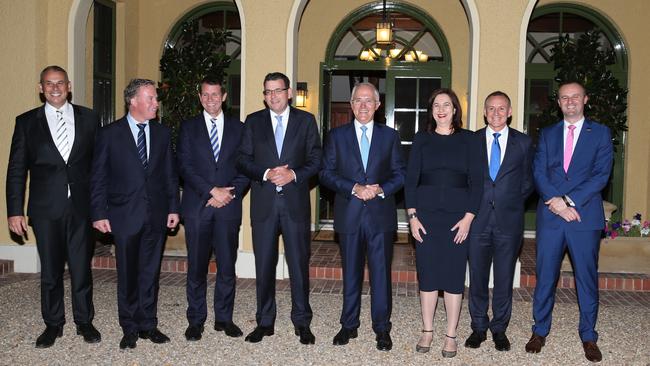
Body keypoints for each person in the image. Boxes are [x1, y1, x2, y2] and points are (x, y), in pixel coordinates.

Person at [6, 65, 101, 348]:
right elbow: (16, 170)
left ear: (69, 85)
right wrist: (14, 210)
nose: (55, 88)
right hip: (46, 209)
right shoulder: (26, 122)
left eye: (60, 83)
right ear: (40, 88)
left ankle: (84, 322)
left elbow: (99, 167)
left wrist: (103, 207)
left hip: (83, 208)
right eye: (49, 83)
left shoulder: (90, 118)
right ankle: (53, 324)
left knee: (82, 269)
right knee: (50, 271)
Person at [526, 81, 613, 363]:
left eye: (575, 96)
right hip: (552, 216)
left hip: (583, 217)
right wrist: (556, 202)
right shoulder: (548, 133)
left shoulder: (600, 133)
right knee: (545, 276)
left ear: (585, 99)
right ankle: (539, 330)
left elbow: (601, 175)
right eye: (565, 98)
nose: (570, 101)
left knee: (586, 278)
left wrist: (570, 201)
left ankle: (589, 336)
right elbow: (539, 171)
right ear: (559, 103)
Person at [90, 78, 180, 350]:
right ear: (133, 101)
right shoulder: (109, 134)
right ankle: (128, 327)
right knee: (128, 274)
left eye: (155, 99)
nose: (156, 103)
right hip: (123, 215)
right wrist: (98, 213)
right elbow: (98, 178)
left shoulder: (163, 134)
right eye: (151, 98)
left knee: (150, 273)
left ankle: (148, 324)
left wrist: (174, 207)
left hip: (156, 215)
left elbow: (169, 176)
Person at [237, 72, 321, 345]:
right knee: (264, 265)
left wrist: (293, 174)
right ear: (264, 95)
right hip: (264, 205)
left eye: (277, 90)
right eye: (268, 91)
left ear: (289, 93)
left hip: (295, 205)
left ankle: (302, 321)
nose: (272, 96)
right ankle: (264, 321)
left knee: (298, 265)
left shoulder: (306, 121)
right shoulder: (253, 122)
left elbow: (316, 159)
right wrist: (265, 173)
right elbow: (242, 160)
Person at [320, 82, 405, 351]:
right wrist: (354, 188)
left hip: (380, 215)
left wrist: (380, 189)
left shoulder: (390, 136)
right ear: (351, 104)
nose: (364, 105)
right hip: (350, 214)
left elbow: (400, 174)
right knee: (351, 274)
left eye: (369, 100)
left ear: (378, 105)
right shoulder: (336, 136)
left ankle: (382, 328)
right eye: (359, 100)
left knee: (381, 274)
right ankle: (349, 325)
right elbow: (325, 173)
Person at [405, 88, 483, 358]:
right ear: (431, 110)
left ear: (455, 109)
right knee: (427, 277)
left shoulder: (470, 140)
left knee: (452, 277)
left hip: (457, 220)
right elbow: (410, 180)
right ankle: (427, 330)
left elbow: (477, 183)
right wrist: (412, 217)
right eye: (436, 104)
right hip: (425, 219)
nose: (441, 109)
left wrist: (468, 219)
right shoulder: (421, 139)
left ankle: (450, 335)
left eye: (446, 104)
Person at [177, 76, 249, 341]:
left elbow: (246, 167)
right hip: (198, 206)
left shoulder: (240, 129)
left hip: (228, 207)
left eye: (215, 94)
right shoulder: (188, 128)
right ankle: (195, 320)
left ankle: (224, 318)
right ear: (200, 97)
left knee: (227, 266)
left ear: (224, 96)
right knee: (196, 267)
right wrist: (211, 191)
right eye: (205, 95)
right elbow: (184, 166)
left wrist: (228, 194)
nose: (210, 100)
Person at [465, 91, 534, 351]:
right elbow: (465, 178)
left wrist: (512, 200)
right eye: (491, 109)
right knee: (478, 278)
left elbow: (529, 180)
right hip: (478, 220)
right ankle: (479, 327)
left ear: (510, 111)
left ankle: (499, 329)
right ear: (484, 112)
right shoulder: (470, 141)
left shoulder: (524, 143)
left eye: (501, 108)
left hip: (509, 221)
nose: (496, 113)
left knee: (504, 278)